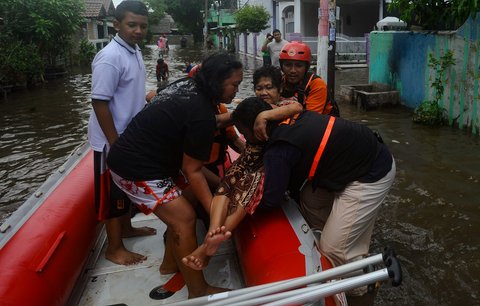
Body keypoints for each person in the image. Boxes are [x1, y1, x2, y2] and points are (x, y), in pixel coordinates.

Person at [231, 97, 396, 304]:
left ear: (258, 129)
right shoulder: (286, 113)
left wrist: (242, 206)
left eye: (245, 134)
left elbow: (271, 199)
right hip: (351, 160)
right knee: (310, 198)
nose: (245, 140)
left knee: (334, 248)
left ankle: (362, 288)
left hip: (371, 173)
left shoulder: (278, 149)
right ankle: (339, 238)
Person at [106, 52, 244, 298]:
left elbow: (200, 124)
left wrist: (223, 184)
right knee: (184, 218)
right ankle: (198, 291)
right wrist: (216, 214)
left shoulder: (188, 86)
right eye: (234, 84)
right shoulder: (200, 109)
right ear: (216, 81)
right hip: (134, 168)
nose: (236, 90)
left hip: (149, 160)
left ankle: (170, 264)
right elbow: (193, 170)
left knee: (188, 198)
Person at [181, 66, 303, 270]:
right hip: (248, 157)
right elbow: (223, 121)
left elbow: (296, 107)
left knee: (247, 189)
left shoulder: (283, 106)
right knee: (228, 181)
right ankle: (213, 233)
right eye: (258, 88)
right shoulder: (251, 107)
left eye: (269, 87)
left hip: (267, 163)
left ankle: (208, 246)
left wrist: (264, 116)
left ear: (279, 89)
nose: (264, 92)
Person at [87, 0, 155, 266]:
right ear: (116, 25)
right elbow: (99, 102)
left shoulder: (133, 50)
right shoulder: (110, 57)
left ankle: (127, 229)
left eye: (143, 26)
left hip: (129, 135)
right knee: (111, 192)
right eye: (132, 25)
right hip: (110, 140)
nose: (138, 31)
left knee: (124, 186)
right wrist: (115, 143)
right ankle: (114, 248)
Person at [278, 41, 339, 121]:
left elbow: (309, 120)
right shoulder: (278, 82)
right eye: (288, 65)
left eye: (299, 65)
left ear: (306, 67)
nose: (293, 70)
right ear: (282, 66)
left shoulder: (316, 84)